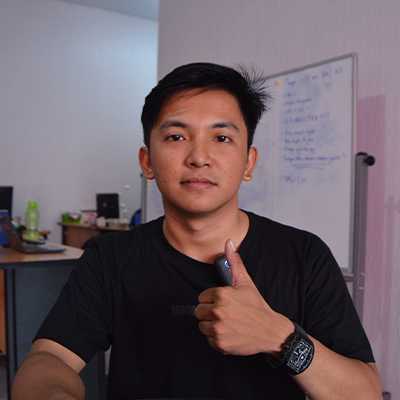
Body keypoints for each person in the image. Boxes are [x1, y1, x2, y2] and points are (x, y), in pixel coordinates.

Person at [13, 63, 382, 400]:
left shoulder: (303, 255)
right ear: (147, 161)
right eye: (176, 137)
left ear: (248, 162)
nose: (199, 157)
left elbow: (364, 392)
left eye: (221, 138)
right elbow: (50, 356)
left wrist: (279, 337)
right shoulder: (111, 257)